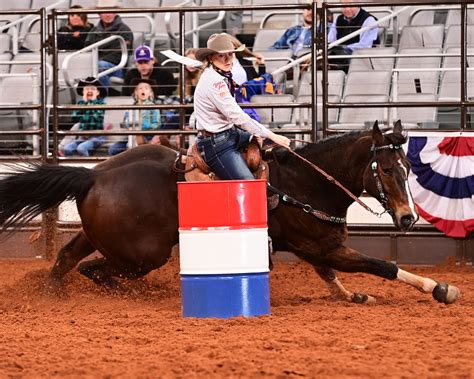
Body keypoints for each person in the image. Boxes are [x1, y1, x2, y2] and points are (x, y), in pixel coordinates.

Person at [193, 33, 291, 180]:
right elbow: (236, 115)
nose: (228, 60)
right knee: (249, 183)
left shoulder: (219, 76)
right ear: (210, 57)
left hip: (228, 134)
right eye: (221, 56)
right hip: (217, 145)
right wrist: (272, 135)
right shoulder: (215, 82)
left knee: (267, 145)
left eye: (230, 54)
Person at [84, 0, 133, 87]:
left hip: (117, 67)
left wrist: (97, 61)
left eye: (111, 11)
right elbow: (87, 50)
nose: (108, 14)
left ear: (115, 13)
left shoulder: (124, 30)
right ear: (99, 14)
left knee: (99, 66)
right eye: (105, 11)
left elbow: (120, 54)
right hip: (97, 64)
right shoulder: (94, 31)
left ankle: (101, 97)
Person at [109, 78, 161, 156]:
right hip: (131, 136)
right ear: (136, 92)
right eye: (140, 88)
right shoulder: (131, 108)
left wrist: (143, 127)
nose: (143, 90)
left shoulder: (153, 107)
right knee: (113, 150)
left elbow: (157, 124)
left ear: (151, 93)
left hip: (147, 136)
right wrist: (127, 122)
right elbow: (125, 123)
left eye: (146, 88)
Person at [327, 0, 379, 70]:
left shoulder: (369, 20)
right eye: (344, 5)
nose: (347, 9)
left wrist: (343, 49)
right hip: (339, 59)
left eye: (351, 5)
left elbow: (365, 46)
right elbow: (330, 41)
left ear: (358, 3)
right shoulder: (338, 19)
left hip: (361, 61)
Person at [63, 77, 107, 157]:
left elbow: (96, 117)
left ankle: (86, 166)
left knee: (81, 148)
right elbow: (74, 118)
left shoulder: (101, 104)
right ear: (83, 92)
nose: (89, 91)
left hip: (96, 137)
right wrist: (85, 104)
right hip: (82, 137)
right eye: (86, 89)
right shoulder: (80, 103)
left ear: (98, 93)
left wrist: (92, 102)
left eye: (93, 89)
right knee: (67, 148)